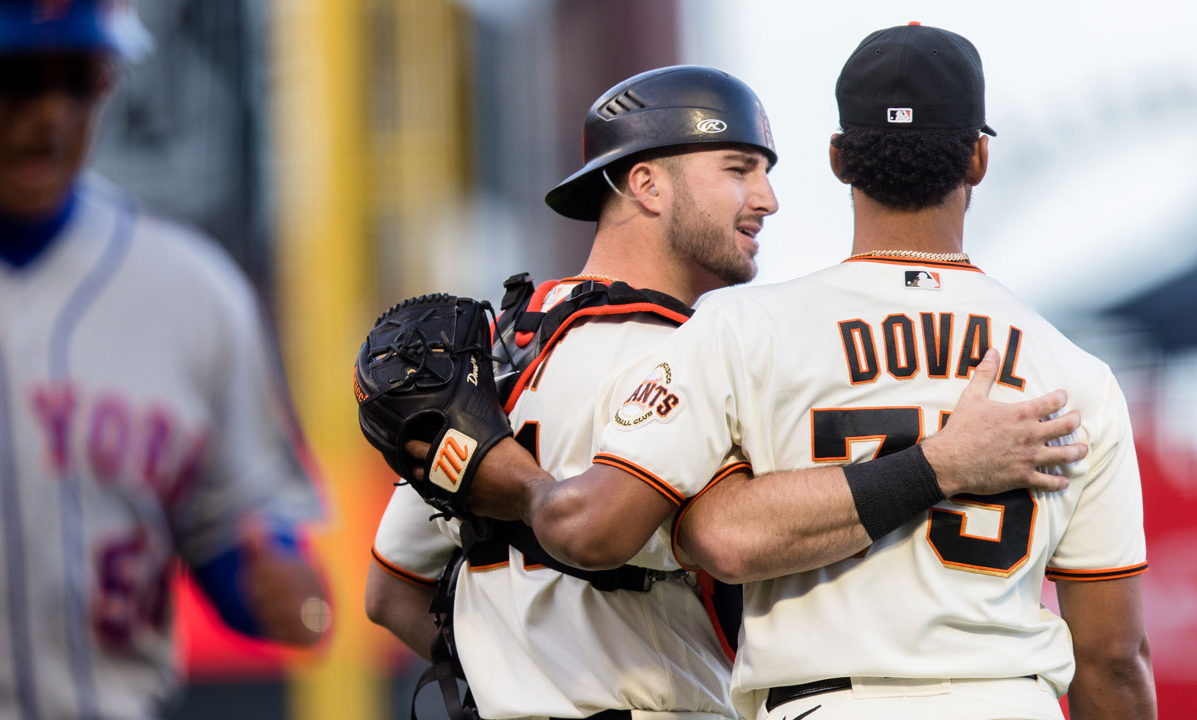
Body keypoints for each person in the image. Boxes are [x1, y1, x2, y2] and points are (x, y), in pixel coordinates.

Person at [368, 64, 1079, 720]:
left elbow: (391, 592)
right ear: (645, 185)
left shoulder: (500, 359)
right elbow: (737, 537)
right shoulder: (696, 356)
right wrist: (945, 461)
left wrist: (511, 673)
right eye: (738, 169)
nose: (766, 199)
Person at [534, 24, 1152, 720]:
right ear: (977, 158)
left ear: (838, 159)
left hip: (828, 702)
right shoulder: (1074, 374)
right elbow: (1111, 660)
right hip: (1009, 701)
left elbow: (657, 534)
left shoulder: (745, 329)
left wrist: (485, 468)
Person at [0, 2, 328, 719]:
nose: (50, 112)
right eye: (14, 76)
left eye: (79, 77)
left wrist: (286, 591)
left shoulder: (189, 289)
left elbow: (240, 539)